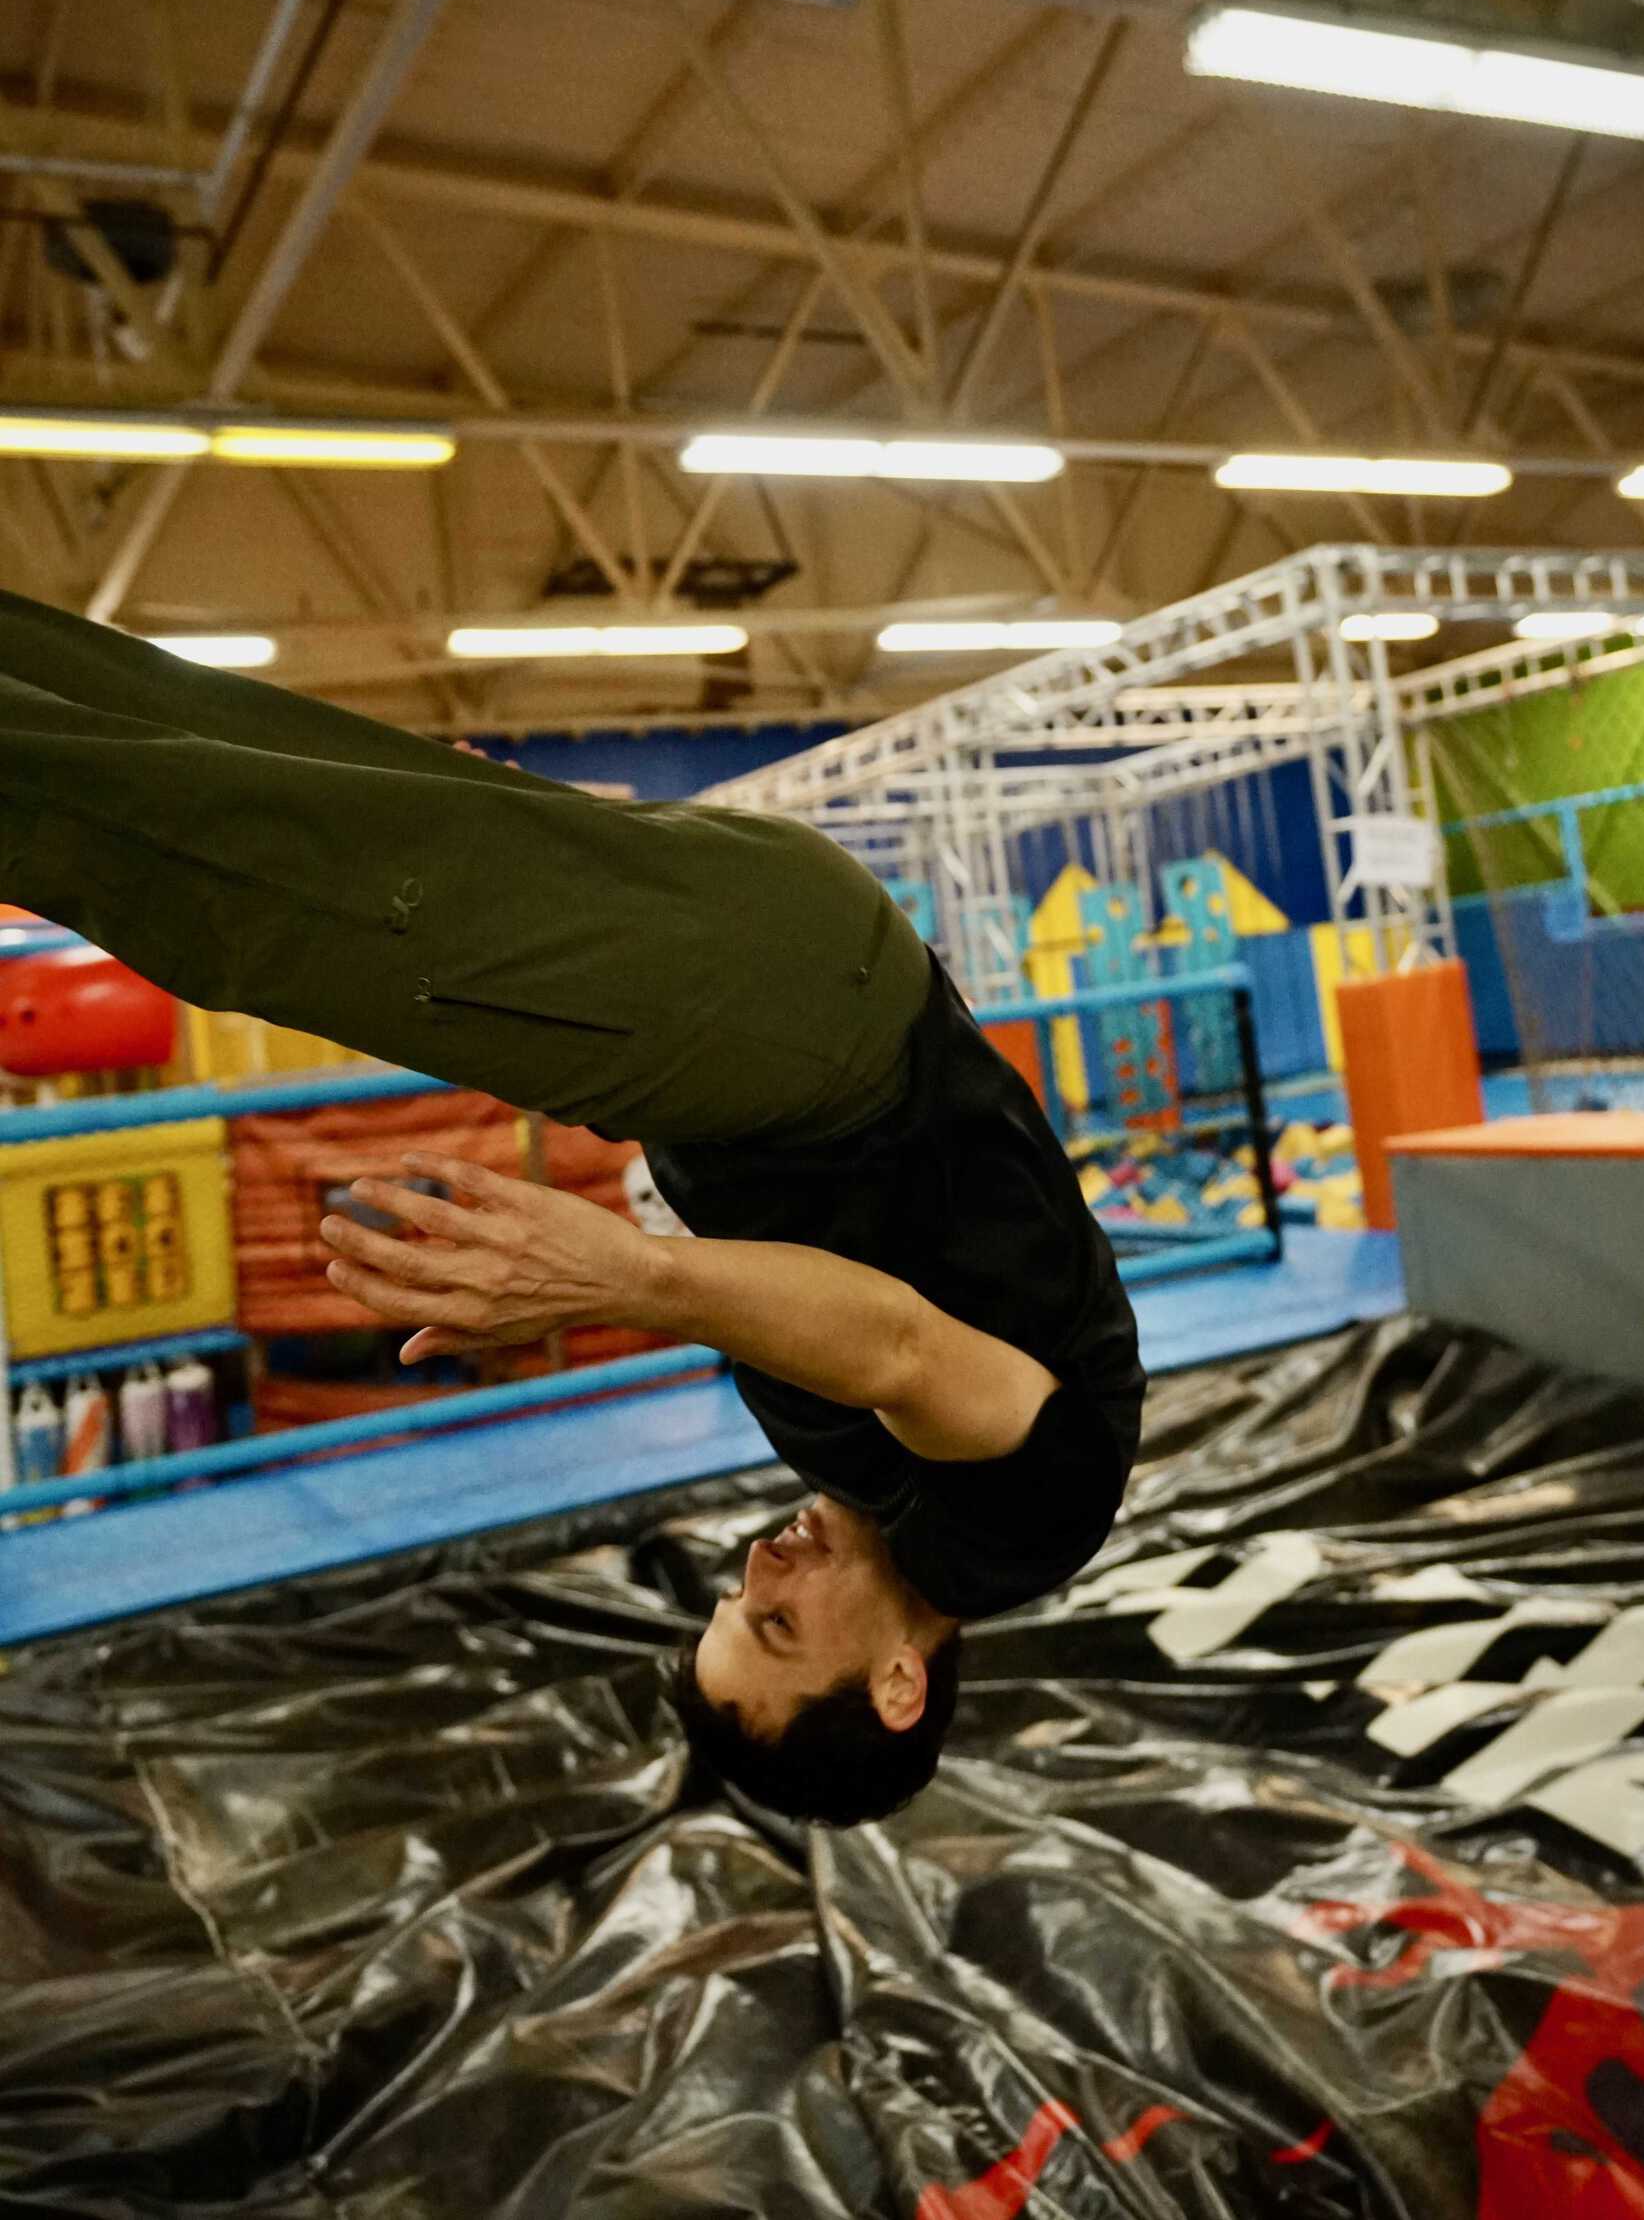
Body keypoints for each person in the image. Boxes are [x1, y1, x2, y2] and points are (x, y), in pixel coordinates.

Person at [0, 588, 1144, 1824]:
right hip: (789, 1024)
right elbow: (903, 1343)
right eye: (773, 1624)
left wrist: (522, 860)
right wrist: (624, 1279)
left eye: (735, 1601)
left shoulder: (861, 1486)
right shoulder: (1022, 1529)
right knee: (228, 894)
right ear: (901, 1684)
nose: (758, 1566)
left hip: (774, 982)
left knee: (228, 750)